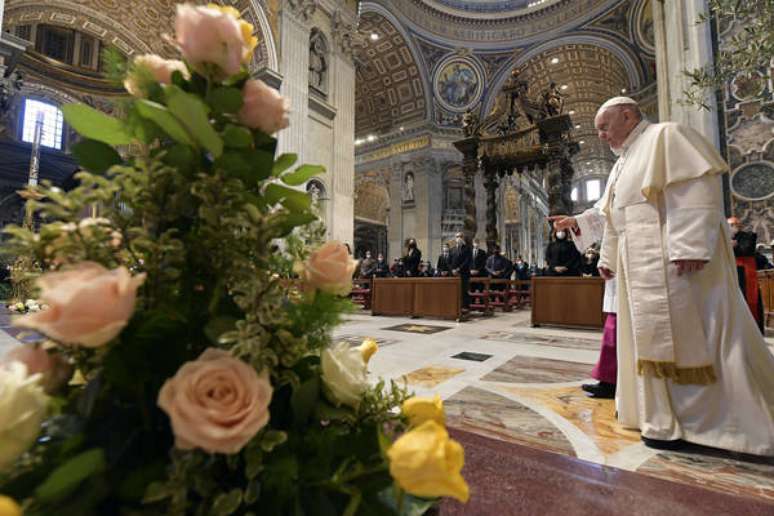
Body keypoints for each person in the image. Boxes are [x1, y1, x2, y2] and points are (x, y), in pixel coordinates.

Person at [593, 96, 774, 454]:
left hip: (674, 262)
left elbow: (694, 191)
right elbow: (616, 218)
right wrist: (607, 254)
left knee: (694, 334)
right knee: (644, 338)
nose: (601, 136)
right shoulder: (622, 163)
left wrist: (690, 244)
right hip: (637, 264)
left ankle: (708, 421)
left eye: (604, 126)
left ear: (628, 116)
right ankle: (653, 414)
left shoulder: (665, 137)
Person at [549, 200, 618, 400]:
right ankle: (610, 379)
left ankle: (616, 380)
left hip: (640, 254)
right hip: (619, 256)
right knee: (614, 325)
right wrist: (575, 221)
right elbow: (605, 213)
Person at [729, 217, 765, 332]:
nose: (731, 228)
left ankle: (752, 328)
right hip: (731, 272)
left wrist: (734, 246)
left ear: (738, 226)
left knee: (747, 298)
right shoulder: (725, 238)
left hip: (744, 272)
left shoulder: (747, 236)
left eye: (732, 225)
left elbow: (747, 250)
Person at [449, 232, 472, 309]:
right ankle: (455, 306)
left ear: (463, 238)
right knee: (454, 291)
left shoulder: (467, 248)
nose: (458, 238)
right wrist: (452, 270)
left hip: (464, 273)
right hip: (454, 274)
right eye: (457, 236)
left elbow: (467, 261)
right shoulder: (452, 249)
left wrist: (458, 269)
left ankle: (465, 307)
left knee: (464, 291)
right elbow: (449, 261)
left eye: (460, 236)